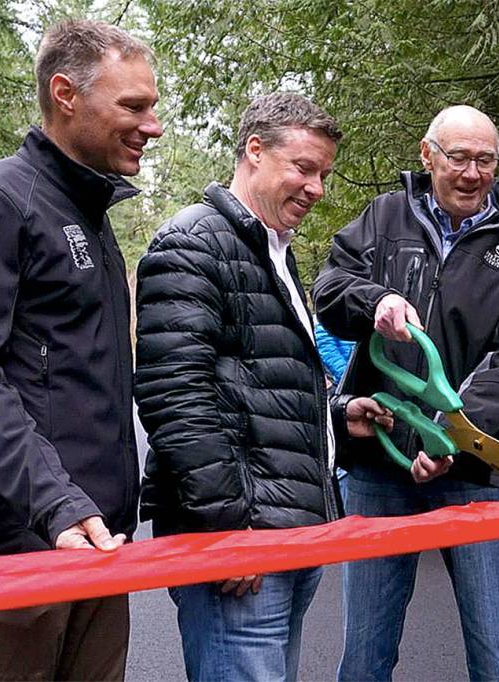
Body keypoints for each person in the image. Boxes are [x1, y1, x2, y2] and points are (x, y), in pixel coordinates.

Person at [0, 19, 163, 681]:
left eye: (153, 107)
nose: (153, 125)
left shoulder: (89, 216)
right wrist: (57, 504)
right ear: (65, 94)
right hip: (7, 555)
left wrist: (99, 516)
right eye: (133, 106)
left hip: (96, 546)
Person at [133, 92, 390, 682]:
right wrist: (227, 531)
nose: (316, 187)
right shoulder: (192, 244)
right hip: (241, 541)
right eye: (304, 167)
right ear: (254, 150)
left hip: (287, 532)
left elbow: (255, 385)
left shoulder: (271, 251)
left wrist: (336, 415)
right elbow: (177, 401)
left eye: (323, 174)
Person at [313, 104, 499, 681]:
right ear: (428, 155)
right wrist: (375, 301)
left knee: (497, 657)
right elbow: (329, 289)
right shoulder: (383, 216)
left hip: (477, 470)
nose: (472, 173)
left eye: (485, 160)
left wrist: (448, 434)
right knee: (364, 656)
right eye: (459, 157)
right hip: (377, 462)